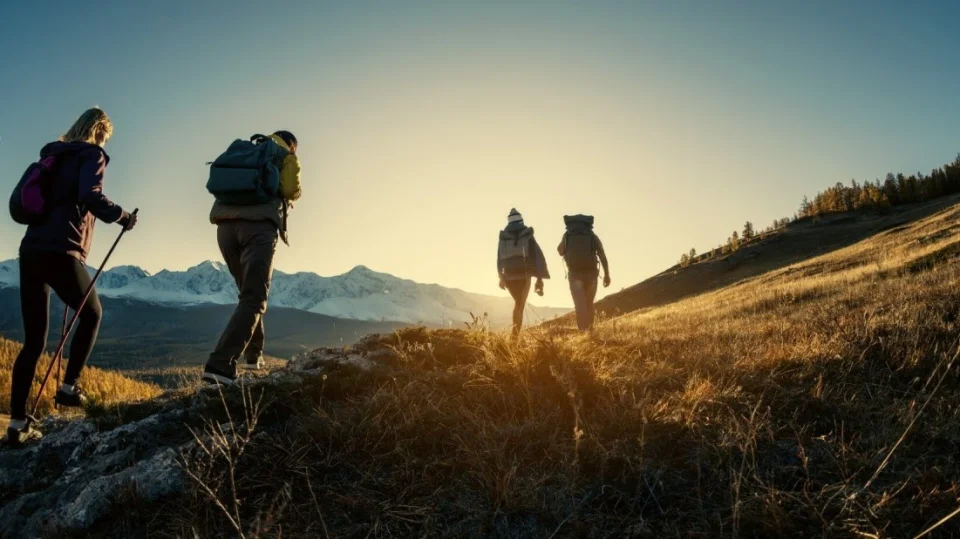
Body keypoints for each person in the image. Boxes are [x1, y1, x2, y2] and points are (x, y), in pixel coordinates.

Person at [6, 108, 137, 446]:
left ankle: (18, 424)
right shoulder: (92, 154)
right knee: (93, 313)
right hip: (61, 249)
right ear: (98, 131)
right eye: (105, 137)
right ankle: (68, 389)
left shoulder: (53, 155)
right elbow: (89, 196)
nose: (105, 143)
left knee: (34, 341)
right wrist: (122, 216)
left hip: (31, 250)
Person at [202, 131, 302, 385]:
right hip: (257, 229)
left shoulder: (247, 149)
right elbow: (291, 189)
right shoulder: (286, 156)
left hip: (225, 229)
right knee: (254, 298)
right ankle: (220, 365)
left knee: (247, 294)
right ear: (292, 146)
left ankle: (253, 354)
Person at [497, 208, 549, 336]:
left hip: (508, 277)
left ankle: (514, 337)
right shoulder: (527, 235)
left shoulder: (503, 237)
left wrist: (501, 277)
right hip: (524, 275)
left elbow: (499, 259)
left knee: (518, 304)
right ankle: (514, 338)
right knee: (519, 304)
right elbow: (537, 256)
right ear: (521, 220)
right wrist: (540, 278)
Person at [557, 214, 610, 332]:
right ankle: (590, 332)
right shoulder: (592, 236)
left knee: (579, 305)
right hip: (591, 274)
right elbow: (602, 255)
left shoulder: (567, 236)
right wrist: (607, 275)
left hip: (574, 274)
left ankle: (582, 332)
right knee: (589, 303)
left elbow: (560, 251)